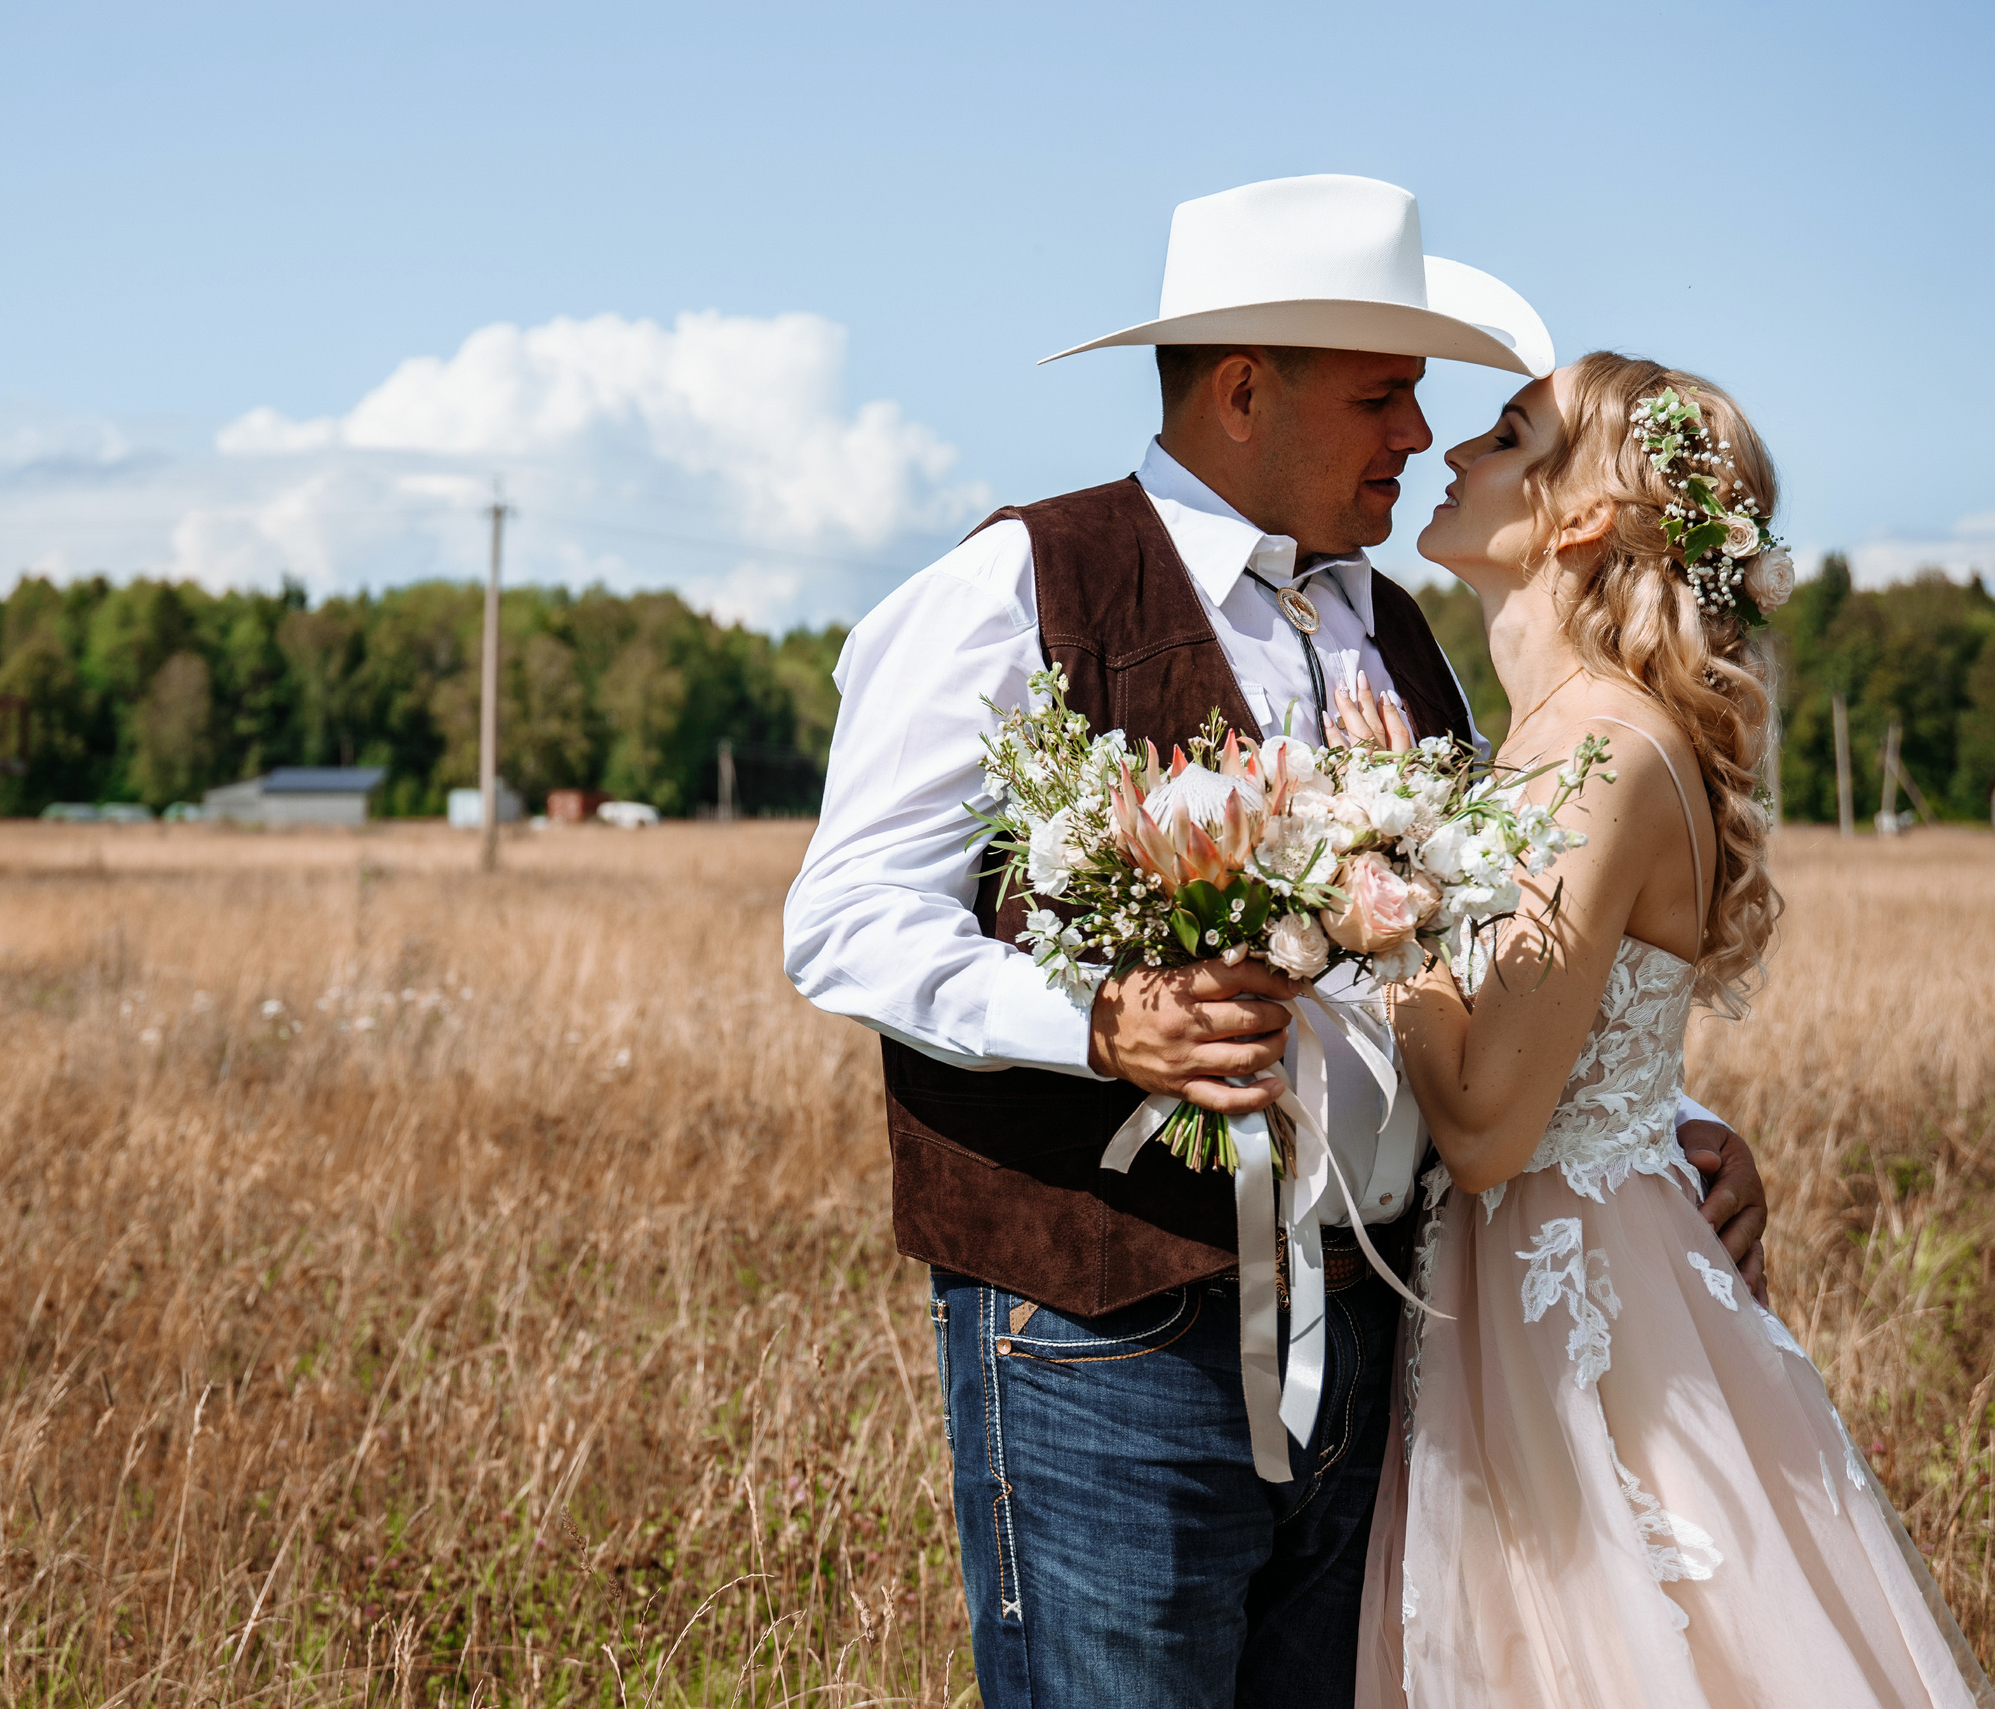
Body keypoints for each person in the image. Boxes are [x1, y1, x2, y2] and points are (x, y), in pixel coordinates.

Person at [782, 174, 1772, 1708]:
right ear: (1244, 390)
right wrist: (1100, 1022)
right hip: (1108, 1343)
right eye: (1385, 395)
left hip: (1392, 1351)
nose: (1419, 435)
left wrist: (1675, 1128)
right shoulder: (1017, 585)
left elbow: (1493, 948)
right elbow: (842, 918)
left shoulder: (1403, 631)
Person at [1341, 353, 1990, 1705]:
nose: (1456, 449)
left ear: (1581, 518)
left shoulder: (1609, 751)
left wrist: (1374, 889)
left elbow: (1484, 1125)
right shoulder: (1535, 743)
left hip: (1575, 1314)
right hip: (1517, 1290)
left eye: (1511, 434)